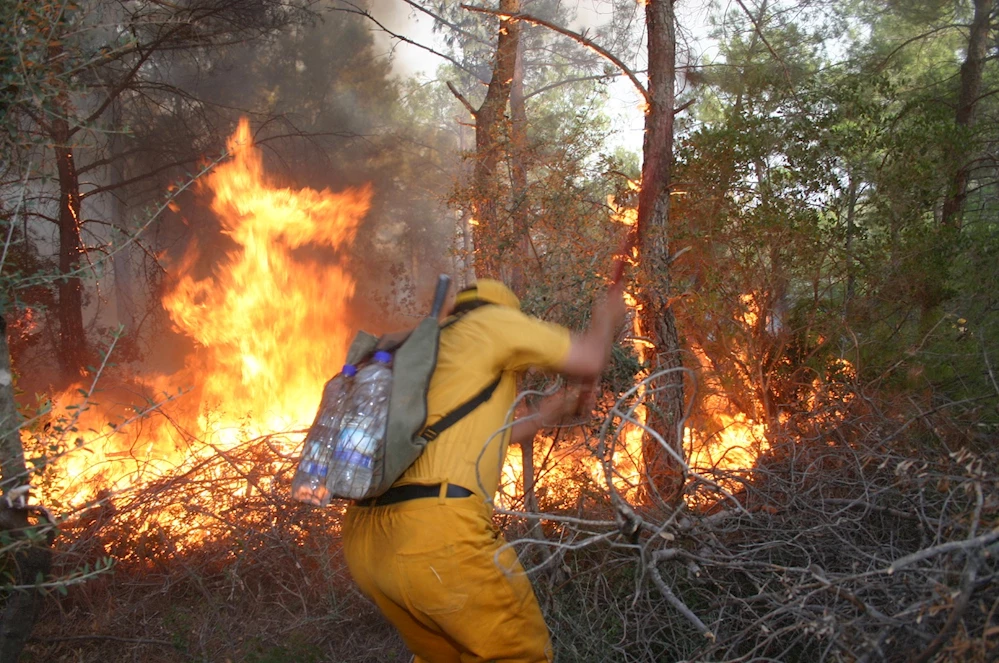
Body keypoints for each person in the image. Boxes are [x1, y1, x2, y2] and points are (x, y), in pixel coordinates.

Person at [341, 278, 625, 663]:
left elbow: (499, 433)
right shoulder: (494, 323)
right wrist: (608, 317)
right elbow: (590, 356)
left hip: (367, 544)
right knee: (519, 655)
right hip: (437, 538)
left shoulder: (429, 348)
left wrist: (558, 408)